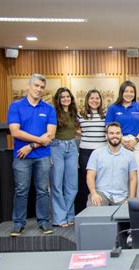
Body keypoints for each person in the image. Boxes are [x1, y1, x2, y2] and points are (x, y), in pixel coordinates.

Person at [7, 74, 57, 236]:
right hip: (22, 157)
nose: (39, 90)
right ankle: (18, 223)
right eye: (36, 86)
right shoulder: (16, 106)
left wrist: (31, 145)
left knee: (43, 190)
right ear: (28, 87)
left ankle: (43, 222)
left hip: (42, 155)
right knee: (21, 190)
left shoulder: (49, 109)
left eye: (42, 87)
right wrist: (38, 140)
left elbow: (50, 135)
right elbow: (15, 131)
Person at [105, 81, 139, 197]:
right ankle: (123, 207)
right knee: (122, 178)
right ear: (121, 92)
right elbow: (108, 127)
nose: (129, 94)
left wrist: (135, 140)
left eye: (132, 91)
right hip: (119, 144)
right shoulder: (113, 108)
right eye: (126, 91)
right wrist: (121, 141)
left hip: (138, 143)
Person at [86, 122, 137, 206]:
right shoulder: (96, 154)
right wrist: (93, 193)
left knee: (128, 216)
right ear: (106, 135)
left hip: (122, 197)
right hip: (101, 194)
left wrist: (131, 198)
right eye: (111, 133)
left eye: (117, 133)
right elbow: (90, 176)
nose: (115, 136)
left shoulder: (130, 155)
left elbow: (133, 178)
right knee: (93, 210)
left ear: (121, 135)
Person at [50, 87, 79, 227]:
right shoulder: (53, 113)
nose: (66, 99)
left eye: (68, 96)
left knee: (72, 185)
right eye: (62, 97)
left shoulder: (73, 113)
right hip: (57, 147)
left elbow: (75, 130)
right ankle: (59, 218)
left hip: (72, 147)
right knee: (57, 184)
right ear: (58, 99)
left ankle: (69, 215)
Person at [76, 89, 107, 213]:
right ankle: (84, 210)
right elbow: (73, 128)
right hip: (86, 152)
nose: (95, 100)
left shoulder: (106, 113)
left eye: (97, 98)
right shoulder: (81, 114)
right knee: (85, 180)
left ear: (101, 100)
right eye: (92, 98)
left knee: (101, 179)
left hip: (102, 151)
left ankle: (100, 206)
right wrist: (83, 134)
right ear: (87, 100)